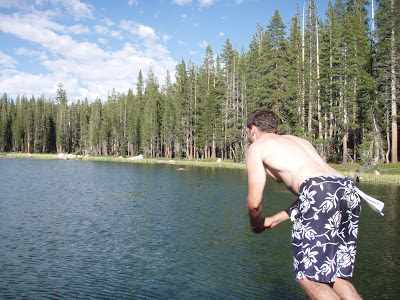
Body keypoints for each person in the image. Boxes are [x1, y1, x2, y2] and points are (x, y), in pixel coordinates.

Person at [245, 108, 384, 300]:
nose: (249, 139)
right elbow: (319, 189)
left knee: (309, 278)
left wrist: (254, 223)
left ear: (253, 129)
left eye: (248, 134)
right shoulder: (299, 141)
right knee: (334, 274)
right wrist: (275, 219)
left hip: (320, 192)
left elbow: (254, 202)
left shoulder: (257, 147)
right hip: (348, 190)